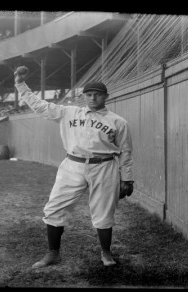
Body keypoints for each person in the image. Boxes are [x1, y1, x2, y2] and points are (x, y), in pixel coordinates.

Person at [14, 66, 134, 268]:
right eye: (89, 94)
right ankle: (53, 253)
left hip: (104, 167)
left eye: (97, 94)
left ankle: (106, 253)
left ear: (106, 96)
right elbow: (39, 105)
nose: (93, 98)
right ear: (83, 96)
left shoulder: (118, 121)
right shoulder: (68, 112)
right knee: (54, 208)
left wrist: (127, 178)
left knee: (104, 212)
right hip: (73, 164)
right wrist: (20, 84)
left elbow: (126, 151)